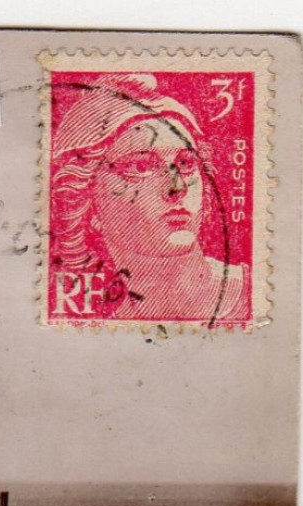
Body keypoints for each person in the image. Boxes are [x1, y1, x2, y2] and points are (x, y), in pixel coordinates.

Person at [49, 72, 249, 324]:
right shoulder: (90, 320)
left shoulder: (253, 291)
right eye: (140, 167)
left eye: (186, 163)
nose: (177, 188)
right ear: (85, 203)